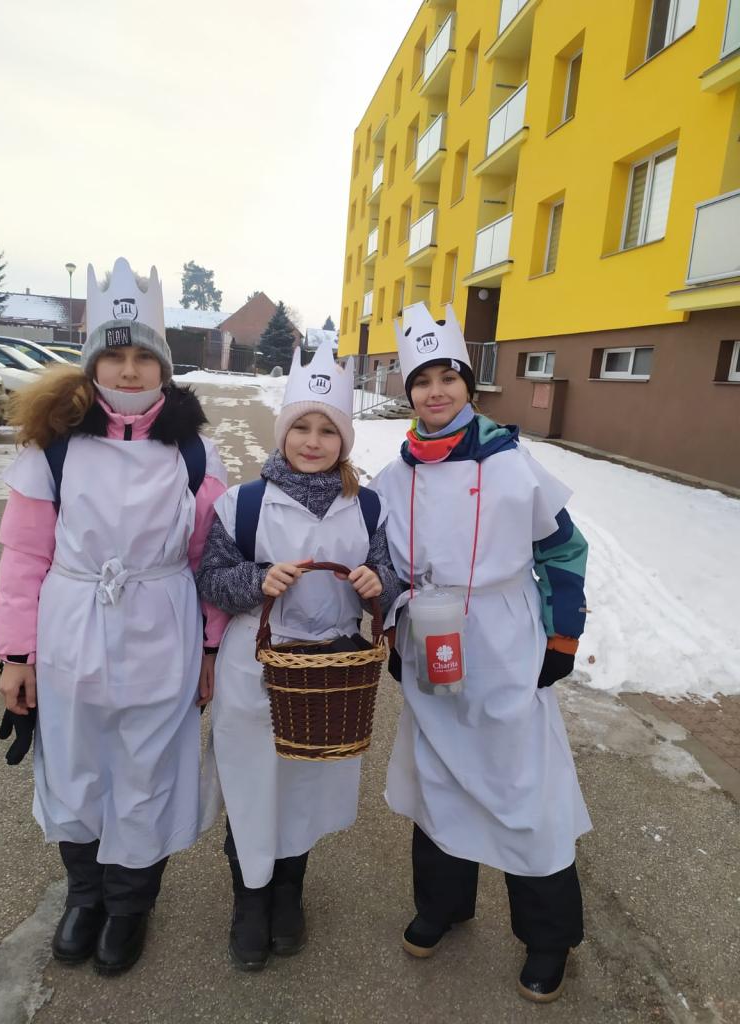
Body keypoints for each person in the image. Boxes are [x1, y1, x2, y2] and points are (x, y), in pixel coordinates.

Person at [0, 258, 228, 975]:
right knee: (76, 765)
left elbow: (207, 558)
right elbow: (24, 558)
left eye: (143, 357)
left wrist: (211, 648)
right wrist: (16, 655)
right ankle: (86, 895)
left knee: (146, 769)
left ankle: (129, 907)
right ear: (93, 363)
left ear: (163, 367)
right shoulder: (56, 448)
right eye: (115, 356)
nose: (129, 370)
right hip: (72, 626)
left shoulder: (192, 453)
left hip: (162, 627)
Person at [370, 302, 591, 1004]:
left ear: (468, 384)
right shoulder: (393, 477)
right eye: (422, 381)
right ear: (408, 392)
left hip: (503, 640)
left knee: (523, 788)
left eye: (448, 378)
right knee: (439, 777)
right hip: (428, 639)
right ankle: (443, 905)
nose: (435, 392)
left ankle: (548, 937)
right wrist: (392, 624)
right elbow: (384, 567)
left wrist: (563, 635)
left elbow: (564, 549)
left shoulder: (512, 465)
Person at [196, 342, 402, 971]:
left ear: (345, 440)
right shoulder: (244, 503)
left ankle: (289, 890)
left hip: (329, 672)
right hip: (255, 669)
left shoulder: (368, 506)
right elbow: (211, 578)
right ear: (283, 432)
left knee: (304, 785)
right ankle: (249, 898)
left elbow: (391, 579)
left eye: (327, 430)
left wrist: (375, 584)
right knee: (253, 781)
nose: (313, 442)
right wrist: (256, 579)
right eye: (301, 428)